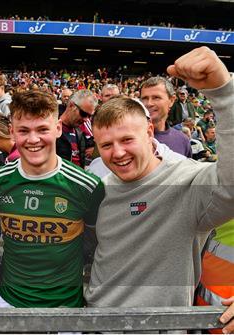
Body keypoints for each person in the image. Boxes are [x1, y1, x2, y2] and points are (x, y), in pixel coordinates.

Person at [85, 46, 234, 333]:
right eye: (106, 145)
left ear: (150, 132)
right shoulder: (100, 189)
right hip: (98, 323)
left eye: (127, 139)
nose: (117, 153)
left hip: (163, 326)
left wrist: (224, 94)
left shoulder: (185, 181)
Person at [0, 89, 104, 308]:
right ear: (12, 132)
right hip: (10, 302)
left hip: (64, 307)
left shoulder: (86, 185)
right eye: (23, 130)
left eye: (42, 129)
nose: (33, 139)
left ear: (58, 128)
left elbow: (93, 242)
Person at [140, 77, 192, 157]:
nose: (149, 103)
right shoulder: (127, 139)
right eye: (145, 98)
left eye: (156, 98)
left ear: (171, 100)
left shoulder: (182, 140)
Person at [57, 90, 97, 168]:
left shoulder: (79, 133)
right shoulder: (51, 130)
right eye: (84, 114)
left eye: (89, 116)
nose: (86, 119)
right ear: (71, 105)